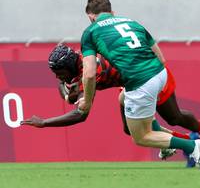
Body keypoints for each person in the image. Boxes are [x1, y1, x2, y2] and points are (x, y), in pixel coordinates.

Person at [76, 0, 200, 169]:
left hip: (141, 82)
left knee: (141, 137)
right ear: (112, 12)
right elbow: (160, 57)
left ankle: (193, 146)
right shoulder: (132, 23)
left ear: (90, 16)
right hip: (160, 73)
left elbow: (89, 74)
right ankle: (171, 144)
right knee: (123, 98)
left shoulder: (90, 32)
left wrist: (87, 101)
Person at [20, 44, 179, 159]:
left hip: (140, 82)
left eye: (59, 73)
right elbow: (67, 91)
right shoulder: (75, 61)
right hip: (131, 83)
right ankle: (181, 143)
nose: (57, 76)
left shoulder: (88, 70)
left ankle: (191, 143)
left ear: (68, 67)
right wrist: (66, 87)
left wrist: (44, 123)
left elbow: (81, 115)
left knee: (156, 127)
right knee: (132, 129)